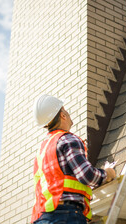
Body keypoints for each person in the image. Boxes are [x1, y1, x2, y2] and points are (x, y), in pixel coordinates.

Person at [31, 94, 116, 224]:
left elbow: (59, 182)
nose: (67, 113)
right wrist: (108, 173)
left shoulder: (42, 151)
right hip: (66, 214)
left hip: (43, 218)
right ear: (62, 115)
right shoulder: (69, 139)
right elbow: (87, 175)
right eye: (65, 110)